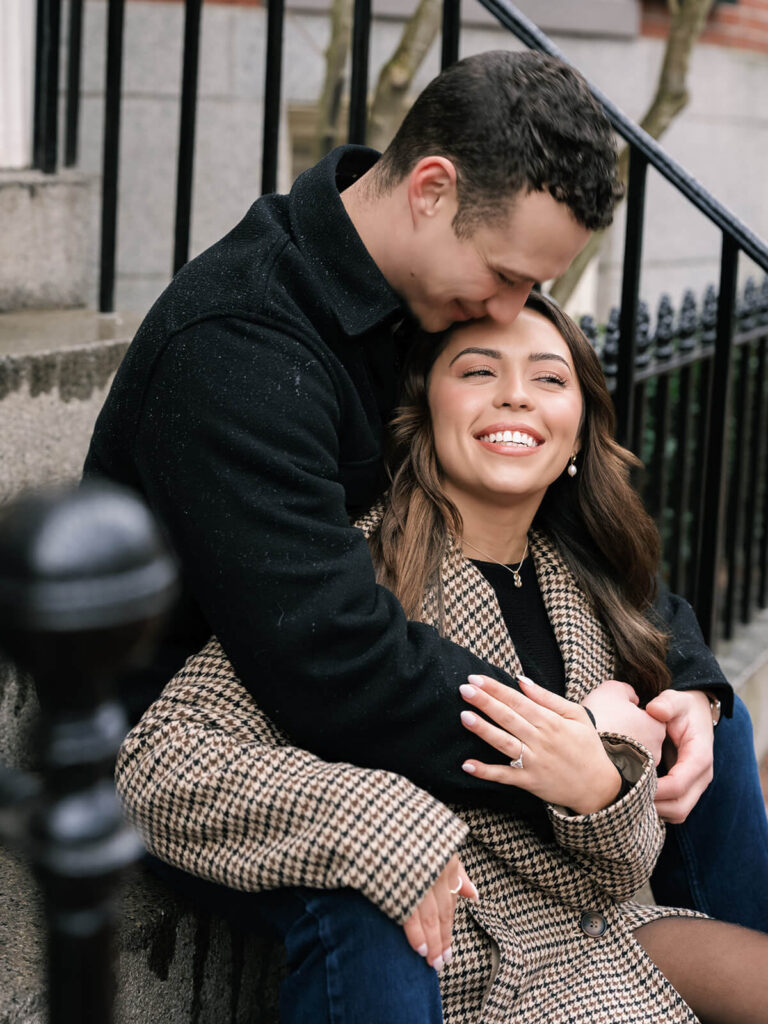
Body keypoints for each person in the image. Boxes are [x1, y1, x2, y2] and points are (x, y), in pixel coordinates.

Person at [83, 47, 767, 1007]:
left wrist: (684, 676)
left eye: (533, 289)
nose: (513, 312)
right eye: (504, 278)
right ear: (432, 189)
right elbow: (332, 659)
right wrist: (568, 737)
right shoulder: (237, 347)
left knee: (706, 733)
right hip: (232, 746)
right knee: (386, 897)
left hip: (389, 683)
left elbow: (548, 516)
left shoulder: (429, 288)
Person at [117, 294, 768, 1023]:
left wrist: (596, 786)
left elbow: (620, 870)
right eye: (479, 371)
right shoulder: (358, 581)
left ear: (579, 431)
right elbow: (161, 757)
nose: (516, 394)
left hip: (596, 940)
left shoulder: (592, 590)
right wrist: (390, 822)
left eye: (550, 379)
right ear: (424, 411)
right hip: (480, 971)